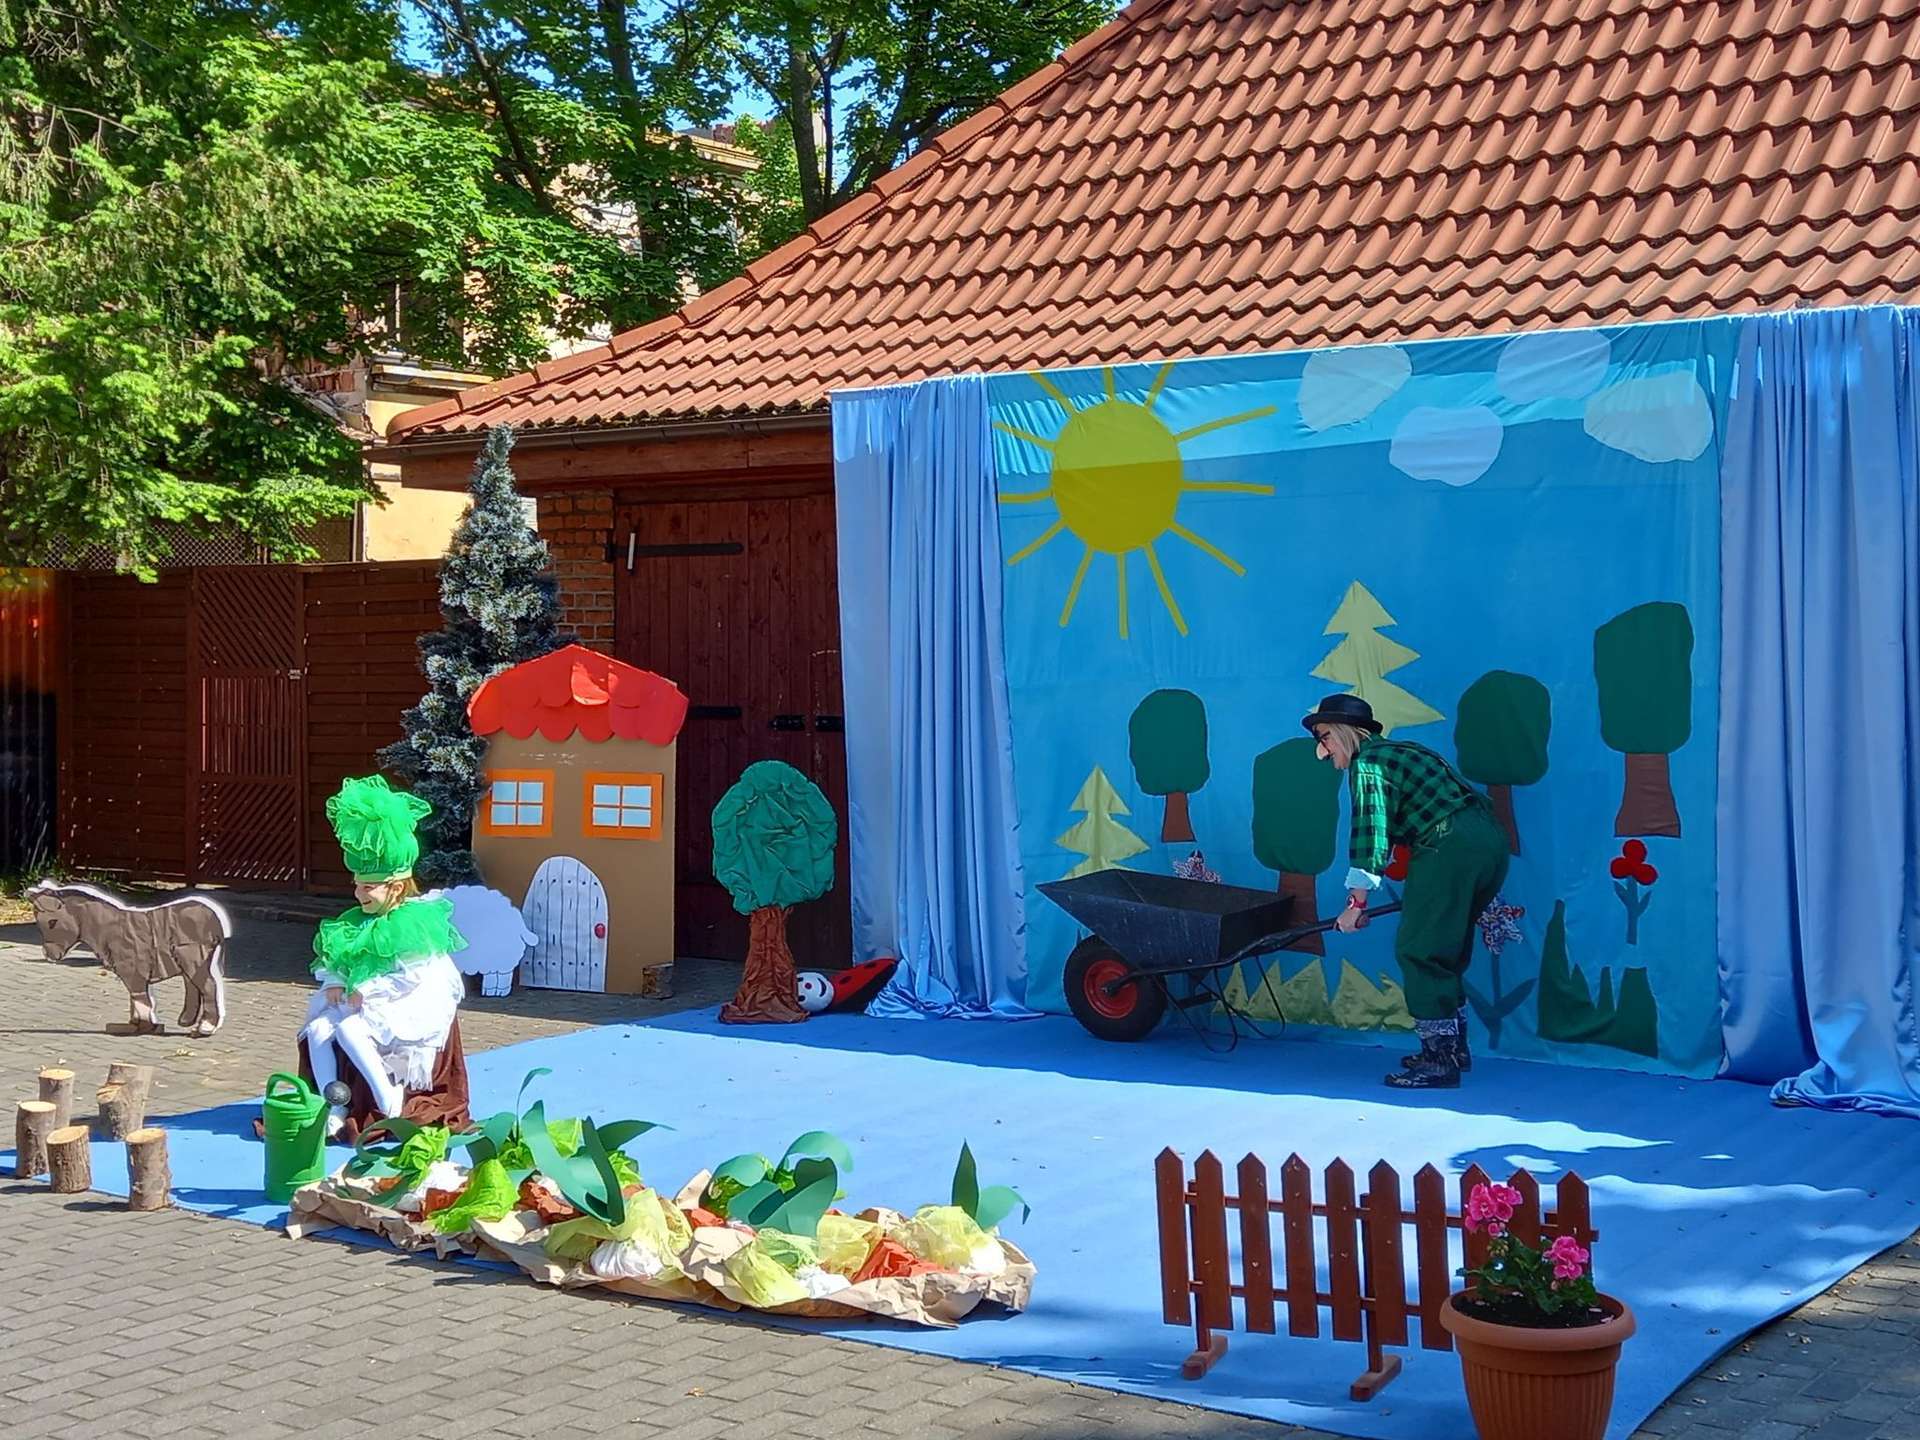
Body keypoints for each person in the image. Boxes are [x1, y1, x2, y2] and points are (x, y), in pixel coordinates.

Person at [1304, 693, 1509, 1089]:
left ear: (1347, 732)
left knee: (1420, 948)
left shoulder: (1368, 764)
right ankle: (1453, 1050)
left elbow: (1371, 834)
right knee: (1446, 947)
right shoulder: (1403, 750)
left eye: (1324, 737)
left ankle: (1438, 1062)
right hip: (1488, 843)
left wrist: (1355, 904)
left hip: (1449, 844)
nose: (1322, 751)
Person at [302, 776, 468, 1135]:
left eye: (368, 887)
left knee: (350, 1029)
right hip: (358, 998)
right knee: (317, 1029)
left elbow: (413, 976)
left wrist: (368, 990)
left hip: (403, 1000)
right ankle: (335, 1102)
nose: (358, 894)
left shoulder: (411, 925)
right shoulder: (356, 922)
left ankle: (388, 1098)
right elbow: (338, 961)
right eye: (357, 885)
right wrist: (335, 981)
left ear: (395, 887)